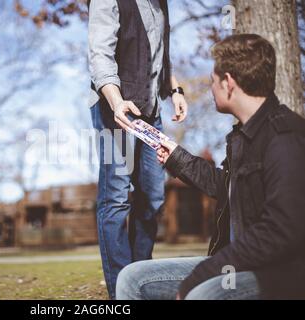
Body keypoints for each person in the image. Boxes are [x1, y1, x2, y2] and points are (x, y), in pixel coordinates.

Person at [116, 34, 305, 300]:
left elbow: (280, 231)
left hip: (276, 275)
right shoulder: (242, 136)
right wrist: (176, 157)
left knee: (202, 295)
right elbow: (223, 185)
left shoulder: (285, 137)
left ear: (228, 83)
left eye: (213, 81)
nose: (210, 87)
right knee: (133, 278)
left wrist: (203, 274)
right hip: (237, 263)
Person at [88, 0, 188, 299]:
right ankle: (122, 291)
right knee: (116, 197)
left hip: (151, 110)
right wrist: (116, 100)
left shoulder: (161, 5)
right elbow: (99, 54)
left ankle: (141, 278)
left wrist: (175, 90)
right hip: (114, 107)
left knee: (153, 196)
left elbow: (159, 57)